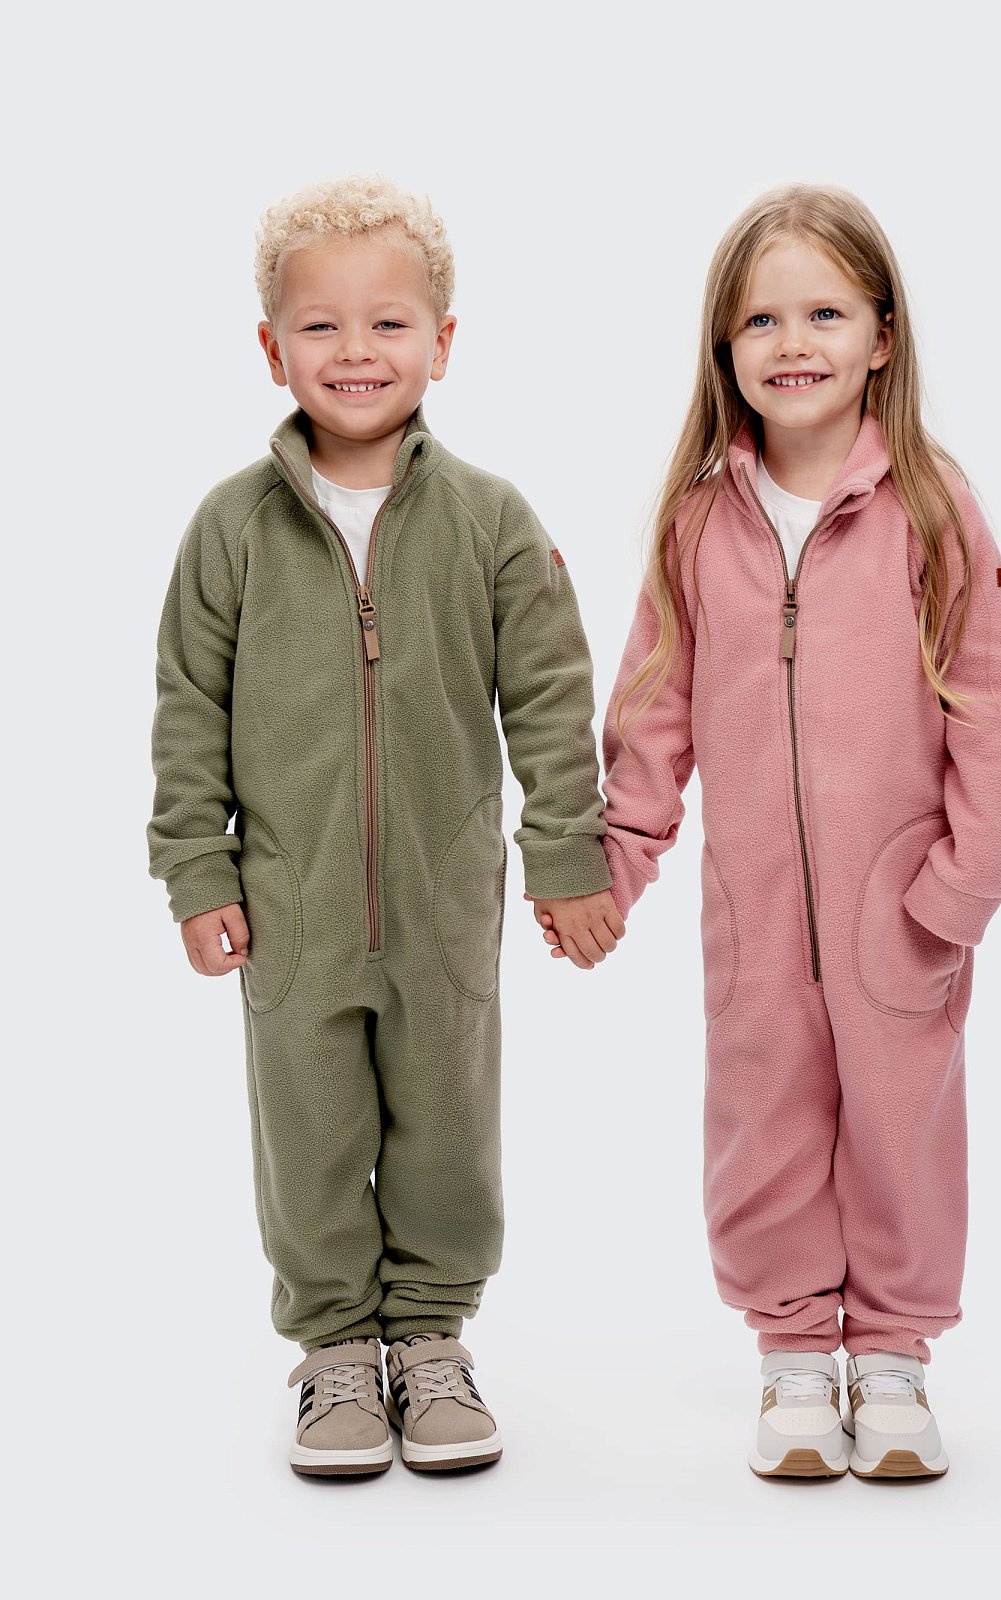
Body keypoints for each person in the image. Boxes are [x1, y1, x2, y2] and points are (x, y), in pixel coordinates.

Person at [539, 184, 1001, 1479]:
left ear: (882, 335)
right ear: (725, 350)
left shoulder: (933, 508)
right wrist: (612, 868)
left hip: (901, 910)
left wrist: (961, 889)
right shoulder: (701, 522)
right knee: (763, 1119)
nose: (793, 342)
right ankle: (796, 1355)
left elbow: (991, 711)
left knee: (902, 1124)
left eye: (824, 313)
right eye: (760, 320)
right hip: (754, 911)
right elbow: (653, 711)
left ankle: (896, 1355)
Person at [147, 174, 624, 1478]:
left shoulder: (491, 522)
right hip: (289, 906)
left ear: (443, 342)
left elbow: (549, 694)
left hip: (442, 900)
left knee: (448, 1128)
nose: (355, 351)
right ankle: (336, 1352)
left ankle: (428, 1335)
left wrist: (567, 853)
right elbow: (187, 708)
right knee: (310, 1134)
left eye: (389, 323)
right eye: (321, 325)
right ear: (271, 347)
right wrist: (195, 868)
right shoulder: (232, 529)